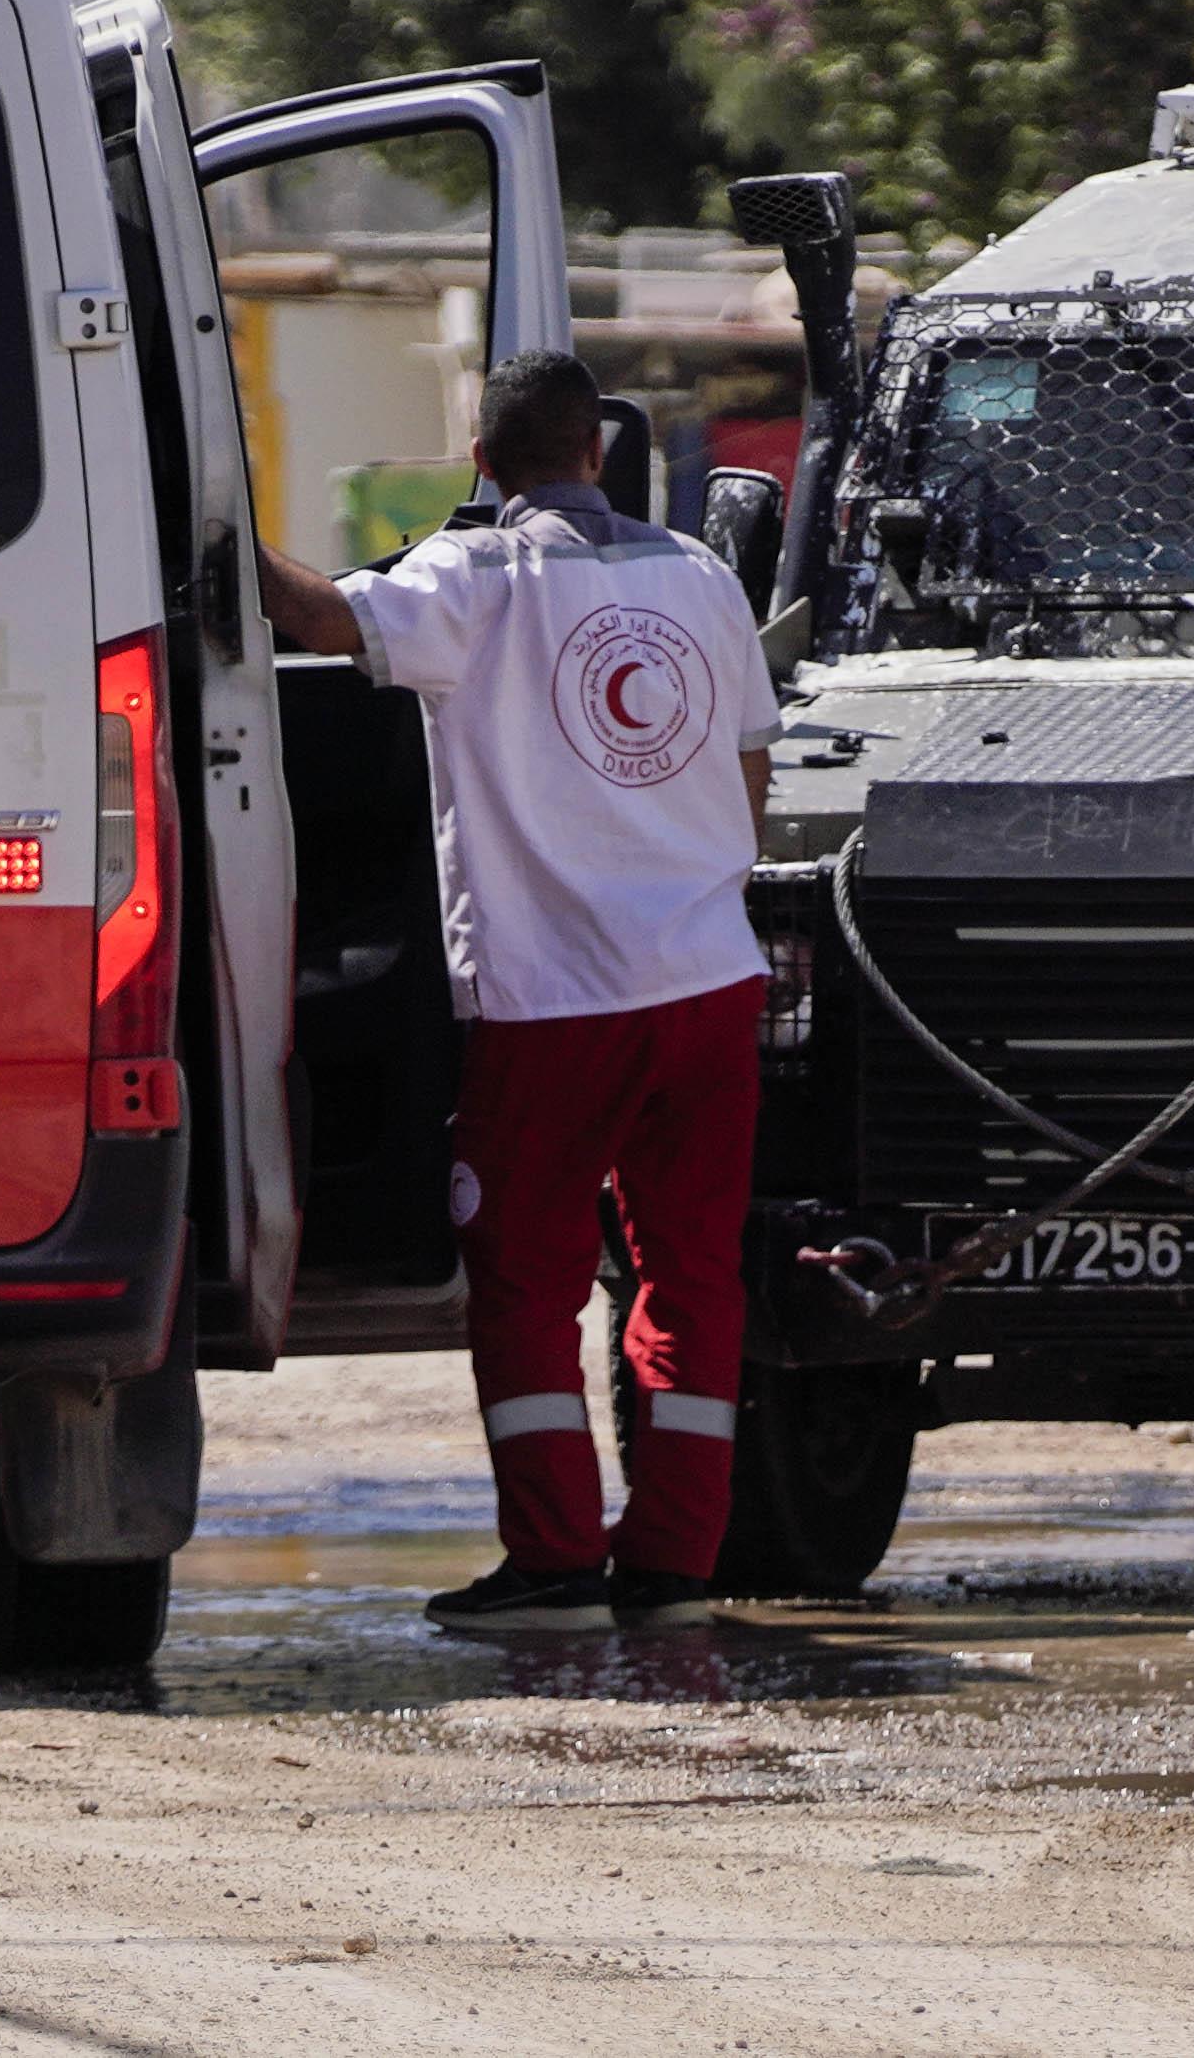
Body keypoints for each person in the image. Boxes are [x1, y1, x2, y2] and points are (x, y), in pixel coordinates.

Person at [257, 350, 782, 1633]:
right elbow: (752, 774)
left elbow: (323, 621)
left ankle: (552, 1560)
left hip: (558, 999)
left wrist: (214, 527)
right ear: (596, 453)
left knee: (526, 1277)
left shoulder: (471, 576)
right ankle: (673, 1564)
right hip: (711, 979)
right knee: (694, 1273)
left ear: (480, 465)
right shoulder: (699, 576)